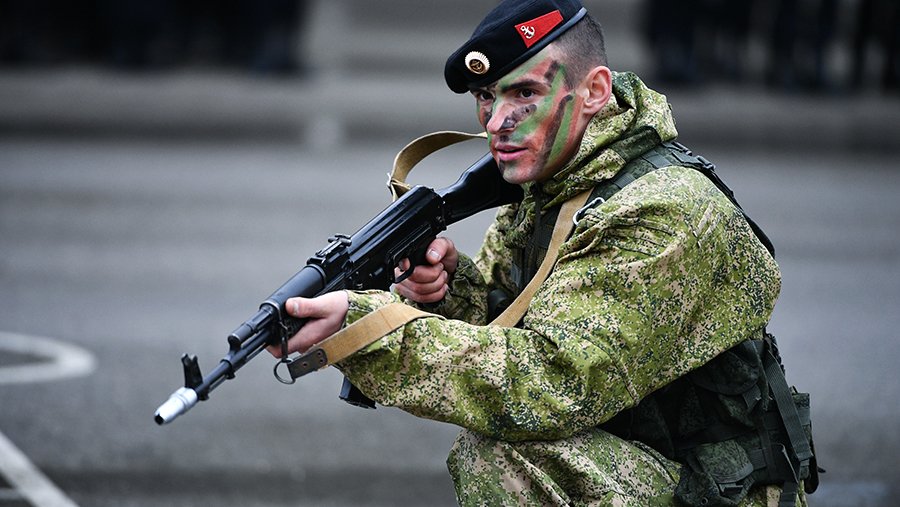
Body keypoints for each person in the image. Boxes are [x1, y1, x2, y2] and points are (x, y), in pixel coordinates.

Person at [269, 1, 818, 505]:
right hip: (646, 457)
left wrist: (371, 330)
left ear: (596, 91)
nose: (497, 123)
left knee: (503, 458)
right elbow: (516, 319)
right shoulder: (557, 179)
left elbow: (553, 383)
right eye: (487, 98)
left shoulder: (663, 210)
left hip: (714, 490)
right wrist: (449, 289)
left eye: (525, 94)